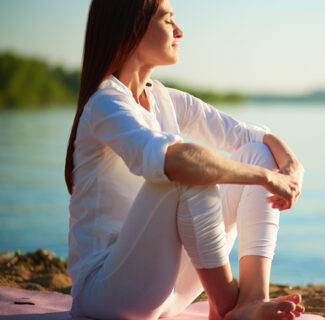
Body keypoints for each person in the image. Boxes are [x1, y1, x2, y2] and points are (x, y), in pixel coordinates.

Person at [64, 0, 305, 319]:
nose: (179, 30)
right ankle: (226, 304)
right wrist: (265, 178)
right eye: (168, 20)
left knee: (258, 155)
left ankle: (251, 298)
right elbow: (176, 160)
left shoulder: (163, 98)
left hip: (170, 290)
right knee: (186, 171)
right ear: (131, 29)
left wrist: (291, 166)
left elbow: (253, 138)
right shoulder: (105, 104)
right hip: (108, 295)